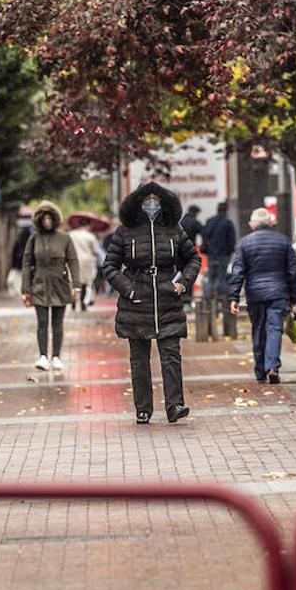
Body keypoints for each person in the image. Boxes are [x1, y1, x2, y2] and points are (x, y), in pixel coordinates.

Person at [102, 182, 202, 425]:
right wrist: (129, 288)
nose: (151, 204)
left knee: (171, 356)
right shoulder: (125, 231)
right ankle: (143, 408)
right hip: (136, 301)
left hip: (168, 299)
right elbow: (109, 266)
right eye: (147, 200)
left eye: (156, 200)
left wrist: (183, 283)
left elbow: (193, 259)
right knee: (139, 360)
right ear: (137, 203)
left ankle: (175, 405)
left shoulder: (173, 229)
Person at [228, 208, 296, 384]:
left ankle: (260, 371)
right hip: (279, 293)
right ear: (271, 223)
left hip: (255, 294)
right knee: (275, 329)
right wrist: (294, 298)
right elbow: (293, 271)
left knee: (258, 330)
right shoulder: (283, 241)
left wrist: (234, 297)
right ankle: (273, 366)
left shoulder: (244, 243)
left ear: (252, 224)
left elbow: (238, 271)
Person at [22, 201, 82, 372]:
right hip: (39, 286)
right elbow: (27, 263)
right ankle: (42, 356)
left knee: (58, 323)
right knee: (42, 322)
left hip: (60, 285)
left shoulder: (64, 238)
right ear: (39, 220)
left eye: (50, 218)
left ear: (55, 219)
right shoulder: (34, 239)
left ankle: (56, 356)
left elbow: (73, 261)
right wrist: (25, 289)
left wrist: (76, 284)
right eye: (44, 218)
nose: (47, 221)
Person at [200, 202, 237, 301]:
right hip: (224, 255)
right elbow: (232, 240)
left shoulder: (209, 221)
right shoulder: (228, 223)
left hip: (211, 255)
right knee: (222, 277)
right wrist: (229, 251)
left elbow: (203, 235)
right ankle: (223, 301)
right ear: (226, 210)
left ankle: (208, 300)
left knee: (210, 277)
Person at [67, 218, 102, 311]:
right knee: (85, 284)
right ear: (88, 225)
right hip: (87, 261)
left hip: (73, 260)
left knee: (73, 282)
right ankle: (83, 303)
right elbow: (96, 251)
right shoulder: (90, 236)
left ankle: (73, 302)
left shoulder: (71, 234)